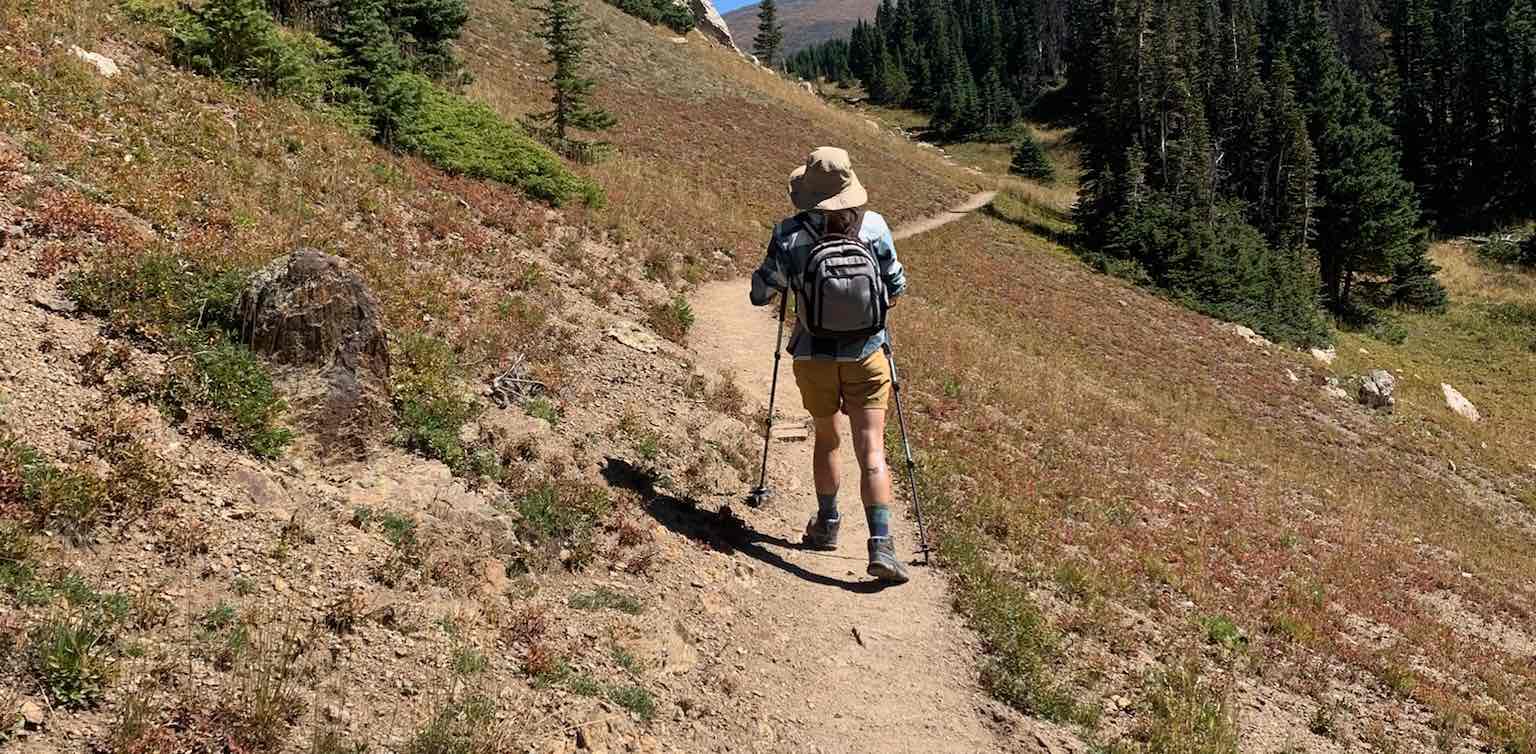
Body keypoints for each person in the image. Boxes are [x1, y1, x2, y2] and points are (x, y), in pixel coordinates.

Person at [749, 147, 909, 584]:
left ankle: (828, 525)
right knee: (871, 447)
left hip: (813, 355)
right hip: (868, 352)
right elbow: (896, 286)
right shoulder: (873, 227)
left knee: (827, 439)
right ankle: (882, 546)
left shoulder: (788, 234)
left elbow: (761, 293)